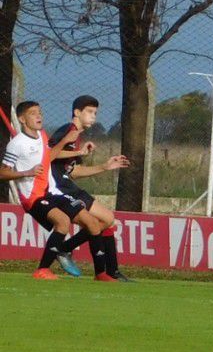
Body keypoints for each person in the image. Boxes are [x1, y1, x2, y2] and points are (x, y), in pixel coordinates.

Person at [0, 101, 106, 279]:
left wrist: (74, 148)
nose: (39, 116)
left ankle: (102, 274)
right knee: (63, 221)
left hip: (52, 191)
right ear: (22, 119)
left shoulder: (42, 135)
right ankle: (42, 270)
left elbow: (49, 156)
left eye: (39, 112)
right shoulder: (16, 144)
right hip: (33, 197)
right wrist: (27, 172)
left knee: (93, 223)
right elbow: (3, 172)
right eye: (33, 113)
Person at [49, 95, 131, 281]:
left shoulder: (77, 136)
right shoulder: (68, 130)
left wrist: (104, 167)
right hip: (59, 187)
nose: (93, 116)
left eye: (95, 113)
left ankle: (109, 271)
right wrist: (79, 152)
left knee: (108, 220)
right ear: (77, 112)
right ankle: (68, 251)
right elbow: (49, 155)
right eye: (89, 112)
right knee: (107, 219)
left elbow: (73, 171)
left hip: (68, 184)